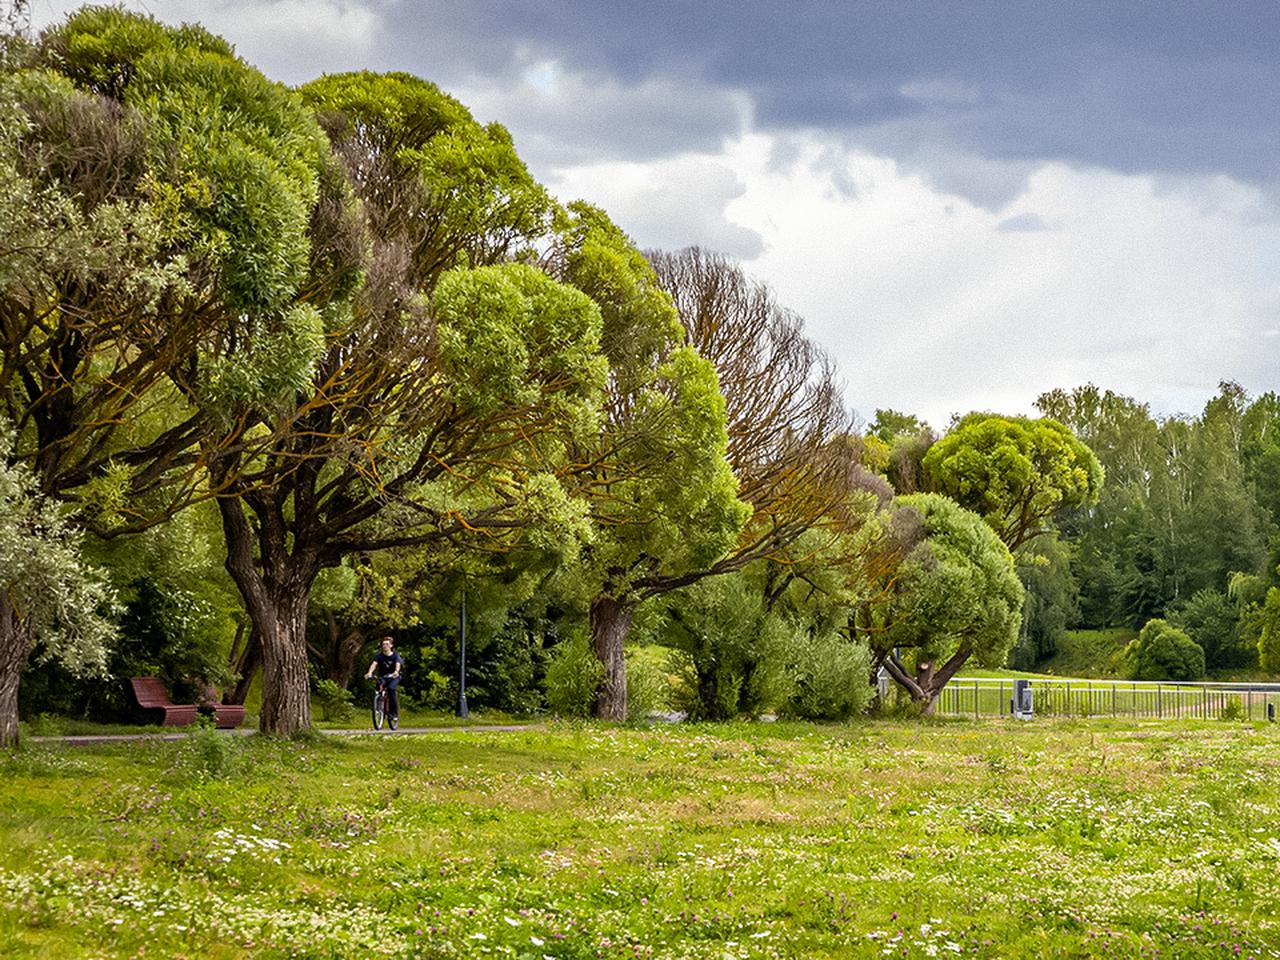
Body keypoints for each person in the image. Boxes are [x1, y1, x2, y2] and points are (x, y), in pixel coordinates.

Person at [364, 636, 403, 722]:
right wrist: (370, 672)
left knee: (391, 689)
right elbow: (374, 664)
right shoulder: (379, 656)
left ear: (391, 646)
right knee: (378, 688)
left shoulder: (395, 655)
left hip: (394, 677)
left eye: (387, 644)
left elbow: (398, 665)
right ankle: (378, 707)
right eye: (383, 644)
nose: (385, 646)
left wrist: (396, 672)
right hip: (383, 677)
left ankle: (394, 713)